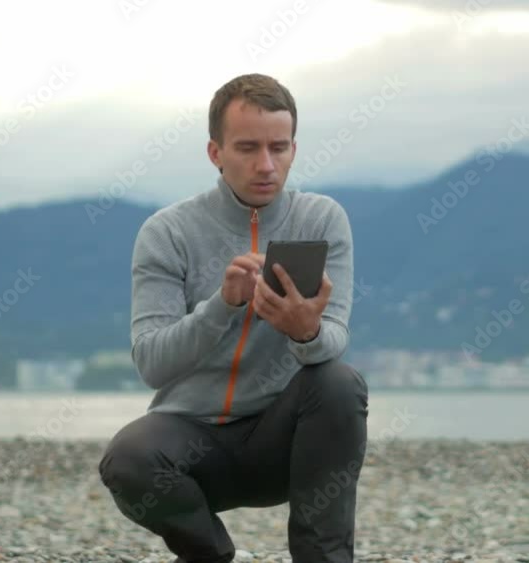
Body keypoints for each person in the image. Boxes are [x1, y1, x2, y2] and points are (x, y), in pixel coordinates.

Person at [97, 73, 369, 563]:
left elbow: (334, 341)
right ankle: (214, 556)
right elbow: (151, 364)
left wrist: (303, 330)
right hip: (192, 445)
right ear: (215, 153)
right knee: (127, 458)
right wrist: (222, 306)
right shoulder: (168, 232)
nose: (266, 164)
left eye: (279, 147)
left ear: (293, 148)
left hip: (283, 444)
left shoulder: (322, 220)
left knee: (339, 383)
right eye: (247, 148)